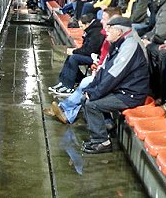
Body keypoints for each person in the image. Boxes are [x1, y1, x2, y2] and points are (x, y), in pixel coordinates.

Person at [46, 17, 150, 154]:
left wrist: (95, 93)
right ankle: (105, 125)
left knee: (92, 104)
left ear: (119, 31)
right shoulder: (119, 43)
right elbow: (104, 71)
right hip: (121, 89)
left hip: (131, 93)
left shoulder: (130, 45)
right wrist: (91, 88)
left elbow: (114, 76)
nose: (106, 31)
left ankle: (102, 142)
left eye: (109, 28)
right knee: (85, 97)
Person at [48, 13, 105, 95]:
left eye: (82, 26)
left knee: (74, 58)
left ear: (88, 24)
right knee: (71, 57)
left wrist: (74, 51)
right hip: (91, 54)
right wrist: (75, 51)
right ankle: (63, 81)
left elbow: (90, 50)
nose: (81, 29)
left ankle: (68, 86)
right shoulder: (91, 30)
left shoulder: (96, 33)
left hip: (95, 57)